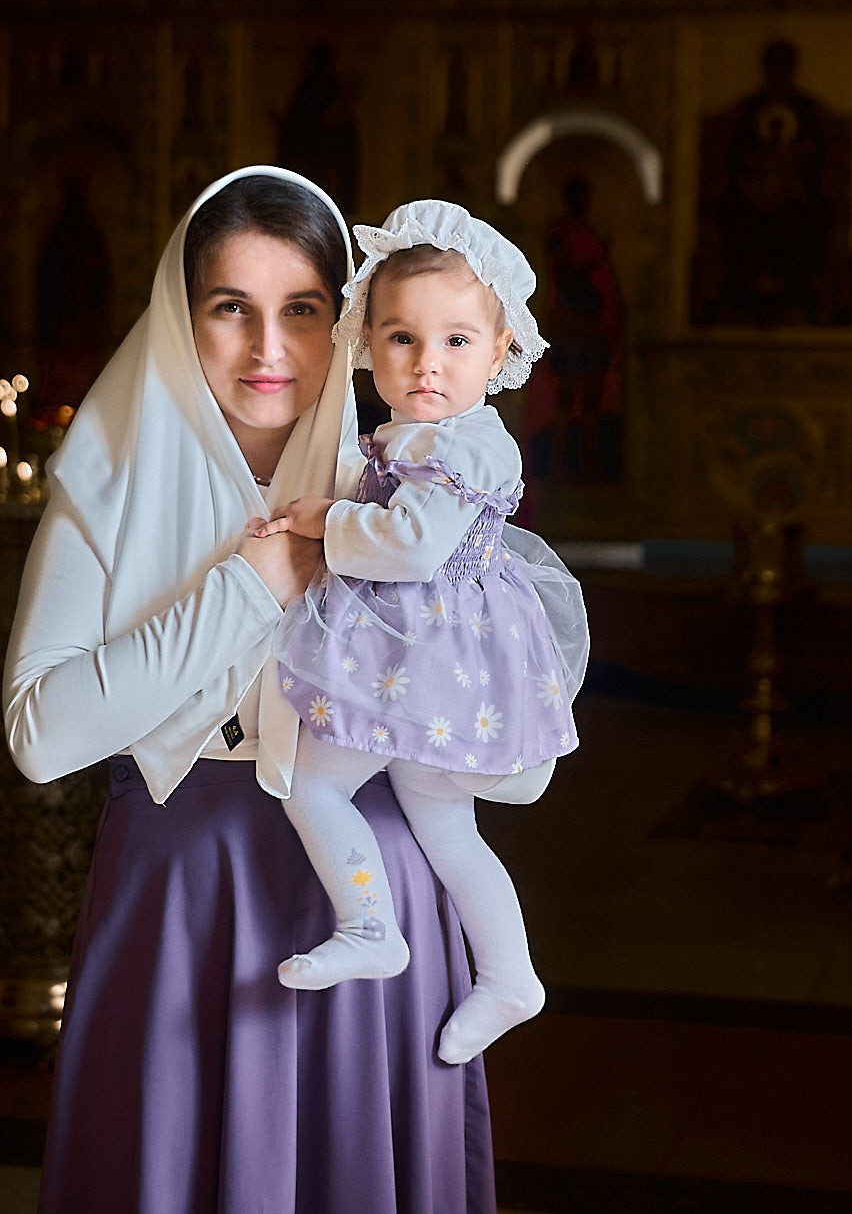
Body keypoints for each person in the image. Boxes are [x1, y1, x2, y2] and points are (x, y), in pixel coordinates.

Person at [4, 168, 542, 1212]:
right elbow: (40, 735)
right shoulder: (108, 481)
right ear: (181, 316)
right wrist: (246, 587)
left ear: (352, 322)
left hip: (372, 880)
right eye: (230, 310)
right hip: (183, 888)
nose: (267, 350)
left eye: (301, 311)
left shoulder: (402, 473)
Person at [254, 200, 588, 1065]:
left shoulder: (463, 445)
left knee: (313, 788)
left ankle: (372, 926)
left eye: (455, 342)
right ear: (369, 342)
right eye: (401, 339)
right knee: (447, 830)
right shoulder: (427, 434)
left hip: (427, 653)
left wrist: (326, 518)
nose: (426, 365)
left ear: (501, 348)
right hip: (432, 654)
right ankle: (511, 975)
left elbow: (411, 546)